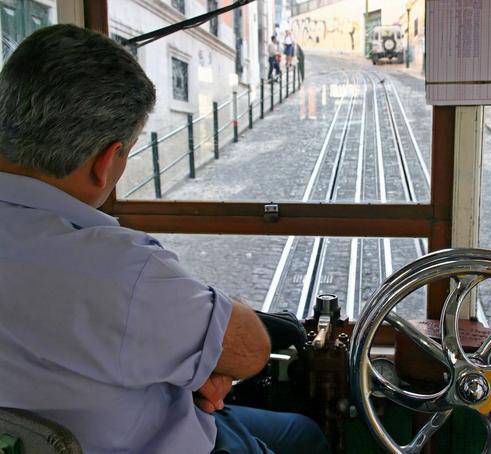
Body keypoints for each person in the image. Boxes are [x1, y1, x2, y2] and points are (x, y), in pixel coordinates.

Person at [0, 25, 329, 454]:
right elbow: (249, 349)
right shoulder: (117, 271)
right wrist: (200, 360)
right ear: (105, 163)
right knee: (304, 437)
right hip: (158, 439)